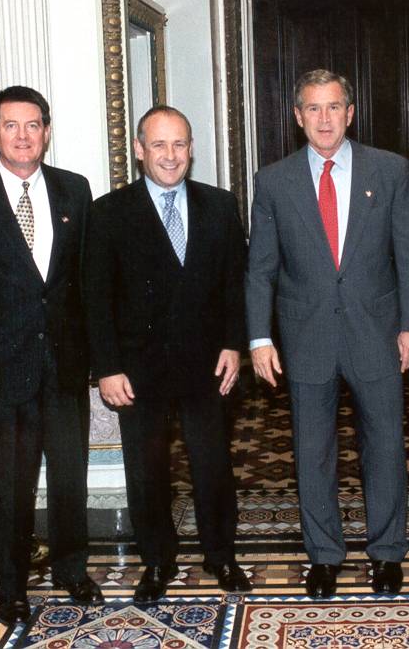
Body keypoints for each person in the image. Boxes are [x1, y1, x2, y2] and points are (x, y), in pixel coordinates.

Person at [246, 68, 409, 598]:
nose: (325, 119)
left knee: (386, 445)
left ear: (350, 112)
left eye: (334, 107)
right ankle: (323, 555)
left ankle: (387, 552)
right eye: (313, 109)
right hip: (305, 337)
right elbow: (260, 268)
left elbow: (408, 256)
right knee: (312, 449)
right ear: (298, 117)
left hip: (378, 331)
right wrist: (259, 338)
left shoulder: (390, 170)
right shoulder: (273, 180)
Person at [0, 85, 103, 626]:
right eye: (11, 125)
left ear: (47, 132)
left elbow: (84, 284)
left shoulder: (75, 191)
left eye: (33, 125)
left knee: (70, 476)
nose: (23, 135)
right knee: (8, 484)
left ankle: (72, 571)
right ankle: (11, 587)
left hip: (65, 367)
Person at [91, 106, 251, 602]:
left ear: (192, 149)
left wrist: (234, 345)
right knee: (147, 469)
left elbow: (235, 284)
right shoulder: (109, 212)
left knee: (213, 465)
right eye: (158, 145)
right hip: (139, 372)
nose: (169, 155)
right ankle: (157, 561)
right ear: (139, 150)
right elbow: (95, 298)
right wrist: (107, 368)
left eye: (179, 144)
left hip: (209, 366)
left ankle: (221, 556)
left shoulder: (221, 206)